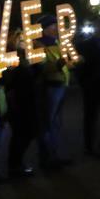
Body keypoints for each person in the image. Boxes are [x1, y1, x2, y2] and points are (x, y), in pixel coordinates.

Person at [38, 14, 74, 170]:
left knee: (56, 122)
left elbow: (62, 61)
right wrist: (58, 65)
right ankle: (48, 158)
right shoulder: (39, 45)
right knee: (49, 122)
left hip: (61, 85)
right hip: (51, 86)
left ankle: (55, 154)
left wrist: (71, 63)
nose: (57, 28)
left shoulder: (56, 41)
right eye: (53, 25)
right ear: (45, 28)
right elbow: (41, 67)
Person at [2, 29, 38, 179]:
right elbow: (8, 80)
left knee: (27, 134)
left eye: (26, 40)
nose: (24, 43)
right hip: (18, 103)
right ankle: (14, 167)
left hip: (29, 101)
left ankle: (17, 164)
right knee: (20, 135)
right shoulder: (11, 58)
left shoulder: (29, 58)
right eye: (21, 40)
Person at [75, 19, 100, 157]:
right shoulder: (85, 45)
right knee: (91, 116)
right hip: (93, 84)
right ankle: (89, 147)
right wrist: (83, 82)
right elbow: (79, 66)